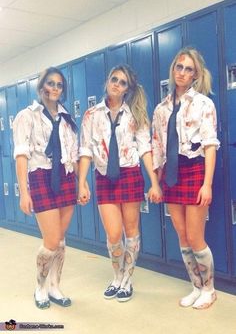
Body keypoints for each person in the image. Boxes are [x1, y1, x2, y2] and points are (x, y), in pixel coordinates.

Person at [78, 64, 162, 302]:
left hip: (129, 174)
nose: (117, 84)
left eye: (123, 82)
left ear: (127, 89)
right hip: (104, 177)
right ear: (107, 81)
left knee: (131, 231)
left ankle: (127, 280)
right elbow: (85, 149)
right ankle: (116, 275)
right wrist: (82, 182)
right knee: (114, 234)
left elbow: (145, 149)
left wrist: (153, 182)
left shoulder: (135, 114)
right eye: (114, 79)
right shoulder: (91, 114)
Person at [152, 47, 220, 309]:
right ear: (173, 70)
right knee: (181, 235)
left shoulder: (204, 104)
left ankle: (210, 289)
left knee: (195, 236)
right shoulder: (161, 108)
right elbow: (158, 147)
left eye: (188, 69)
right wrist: (156, 182)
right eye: (179, 67)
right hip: (171, 173)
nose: (182, 72)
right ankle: (196, 286)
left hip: (194, 170)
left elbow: (210, 145)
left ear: (195, 75)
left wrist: (207, 184)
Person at [13, 67, 81, 309]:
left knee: (61, 240)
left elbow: (74, 153)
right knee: (51, 239)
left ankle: (55, 286)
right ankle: (40, 286)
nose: (54, 88)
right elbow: (21, 156)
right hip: (41, 176)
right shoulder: (26, 116)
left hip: (65, 176)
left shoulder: (67, 118)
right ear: (41, 87)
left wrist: (81, 183)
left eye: (59, 85)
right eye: (50, 83)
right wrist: (24, 192)